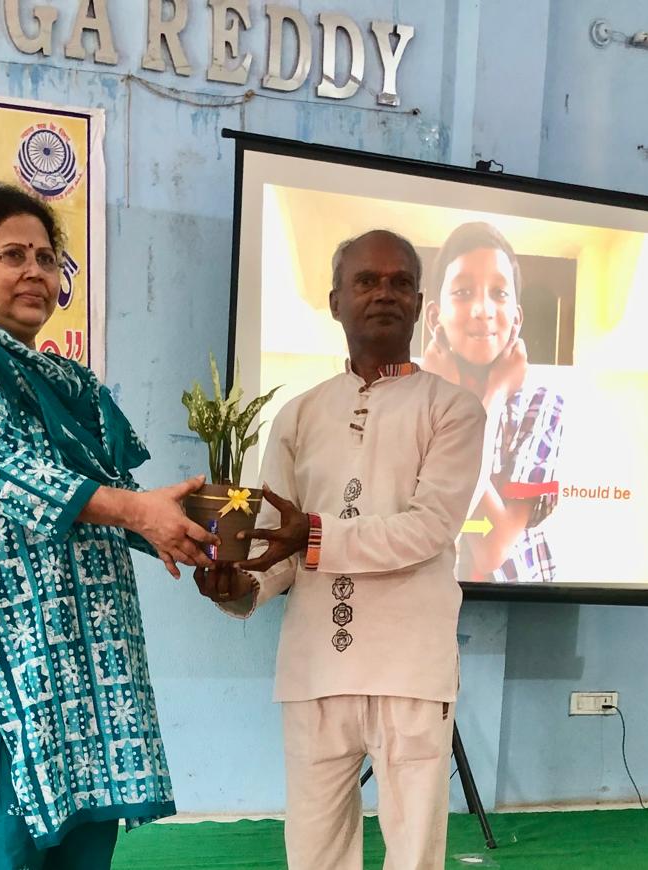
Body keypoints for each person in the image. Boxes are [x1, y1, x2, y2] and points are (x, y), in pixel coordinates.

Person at [0, 183, 216, 870]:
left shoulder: (69, 382)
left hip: (82, 653)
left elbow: (107, 501)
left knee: (80, 841)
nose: (35, 272)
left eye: (48, 259)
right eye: (12, 256)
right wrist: (139, 511)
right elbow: (4, 470)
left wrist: (187, 527)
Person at [196, 230, 487, 870]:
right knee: (314, 852)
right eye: (366, 281)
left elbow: (429, 528)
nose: (384, 293)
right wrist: (242, 588)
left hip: (410, 665)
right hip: (314, 667)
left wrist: (316, 536)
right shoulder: (297, 417)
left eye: (400, 282)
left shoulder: (454, 409)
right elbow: (277, 544)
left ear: (420, 304)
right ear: (334, 301)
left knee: (415, 855)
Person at [420, 222, 564, 583]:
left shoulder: (542, 405)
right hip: (422, 606)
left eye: (499, 294)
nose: (482, 309)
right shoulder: (410, 398)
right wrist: (450, 394)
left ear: (516, 317)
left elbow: (492, 547)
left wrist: (491, 397)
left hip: (520, 606)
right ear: (435, 316)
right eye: (464, 291)